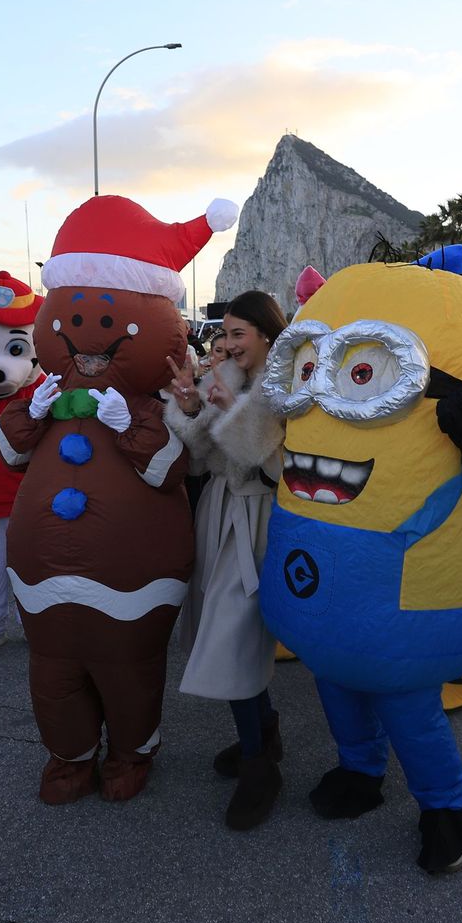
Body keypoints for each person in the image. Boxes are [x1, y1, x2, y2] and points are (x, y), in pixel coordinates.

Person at [164, 291, 289, 830]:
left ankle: (260, 764)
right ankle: (264, 733)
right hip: (220, 511)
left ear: (267, 334)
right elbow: (202, 460)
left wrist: (227, 407)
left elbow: (272, 462)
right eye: (227, 333)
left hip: (261, 518)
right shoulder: (231, 379)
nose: (231, 343)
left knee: (233, 635)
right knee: (231, 631)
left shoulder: (288, 382)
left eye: (241, 333)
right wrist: (193, 410)